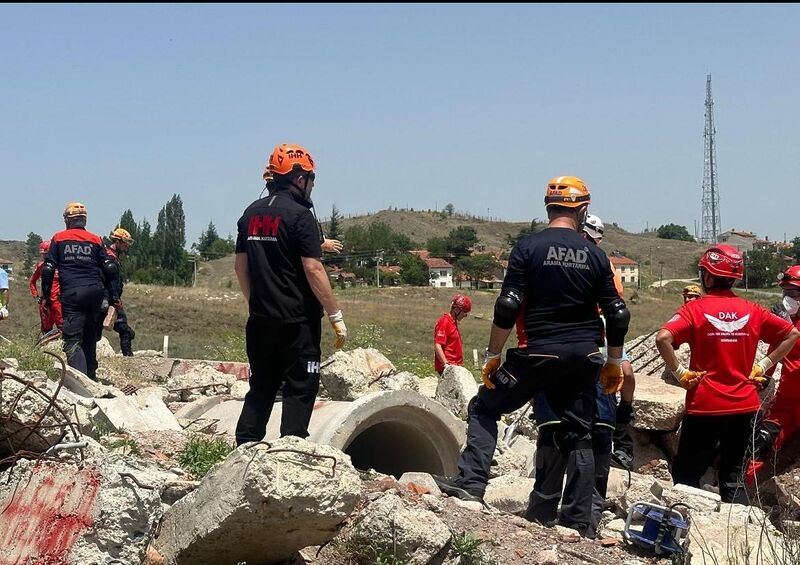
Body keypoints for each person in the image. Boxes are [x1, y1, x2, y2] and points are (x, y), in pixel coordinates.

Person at [434, 176, 630, 538]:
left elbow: (508, 304)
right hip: (585, 357)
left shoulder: (528, 247)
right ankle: (579, 523)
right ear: (583, 209)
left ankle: (471, 483)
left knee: (485, 407)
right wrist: (614, 362)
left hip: (538, 354)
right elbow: (617, 313)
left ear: (548, 207)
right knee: (581, 432)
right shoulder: (597, 255)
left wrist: (493, 355)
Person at [655, 245, 799, 503]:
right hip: (744, 406)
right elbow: (791, 334)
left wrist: (680, 372)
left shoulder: (695, 309)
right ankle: (736, 533)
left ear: (708, 277)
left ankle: (688, 531)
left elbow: (663, 337)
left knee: (687, 475)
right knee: (733, 476)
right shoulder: (753, 310)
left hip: (705, 406)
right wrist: (763, 365)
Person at [235, 143, 347, 445]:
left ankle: (244, 448)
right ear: (300, 179)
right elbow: (313, 269)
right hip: (298, 323)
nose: (312, 186)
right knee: (301, 386)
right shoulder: (300, 217)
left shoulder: (250, 214)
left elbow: (240, 266)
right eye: (311, 180)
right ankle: (291, 450)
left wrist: (254, 302)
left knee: (261, 386)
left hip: (260, 321)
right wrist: (335, 315)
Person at [581, 214, 637, 472]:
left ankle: (623, 421)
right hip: (582, 325)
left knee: (625, 374)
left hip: (603, 321)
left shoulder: (602, 262)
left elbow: (616, 297)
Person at [42, 202, 120, 380]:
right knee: (90, 333)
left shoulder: (59, 238)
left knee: (72, 339)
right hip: (95, 293)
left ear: (67, 220)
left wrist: (46, 295)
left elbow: (48, 268)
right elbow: (109, 267)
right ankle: (91, 375)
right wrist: (114, 296)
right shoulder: (96, 239)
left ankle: (80, 381)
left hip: (73, 294)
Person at [745, 265, 800, 484]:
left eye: (794, 294)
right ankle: (743, 491)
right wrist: (757, 379)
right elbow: (771, 360)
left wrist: (791, 333)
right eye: (785, 293)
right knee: (761, 441)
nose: (788, 299)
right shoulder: (786, 326)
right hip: (787, 403)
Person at [105, 228, 136, 356]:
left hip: (109, 298)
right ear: (117, 242)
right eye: (125, 243)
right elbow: (111, 282)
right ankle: (128, 358)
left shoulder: (112, 256)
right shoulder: (110, 258)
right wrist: (115, 300)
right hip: (110, 299)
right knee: (125, 331)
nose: (126, 247)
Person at [29, 240, 63, 336]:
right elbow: (32, 282)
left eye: (46, 254)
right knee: (46, 329)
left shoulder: (62, 265)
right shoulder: (41, 266)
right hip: (45, 302)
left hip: (59, 301)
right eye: (42, 254)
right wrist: (36, 296)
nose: (44, 256)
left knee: (62, 327)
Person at [434, 294, 472, 375]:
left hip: (456, 366)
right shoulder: (444, 322)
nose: (465, 315)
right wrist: (446, 365)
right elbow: (438, 345)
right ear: (457, 310)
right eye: (464, 312)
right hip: (449, 366)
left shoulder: (453, 322)